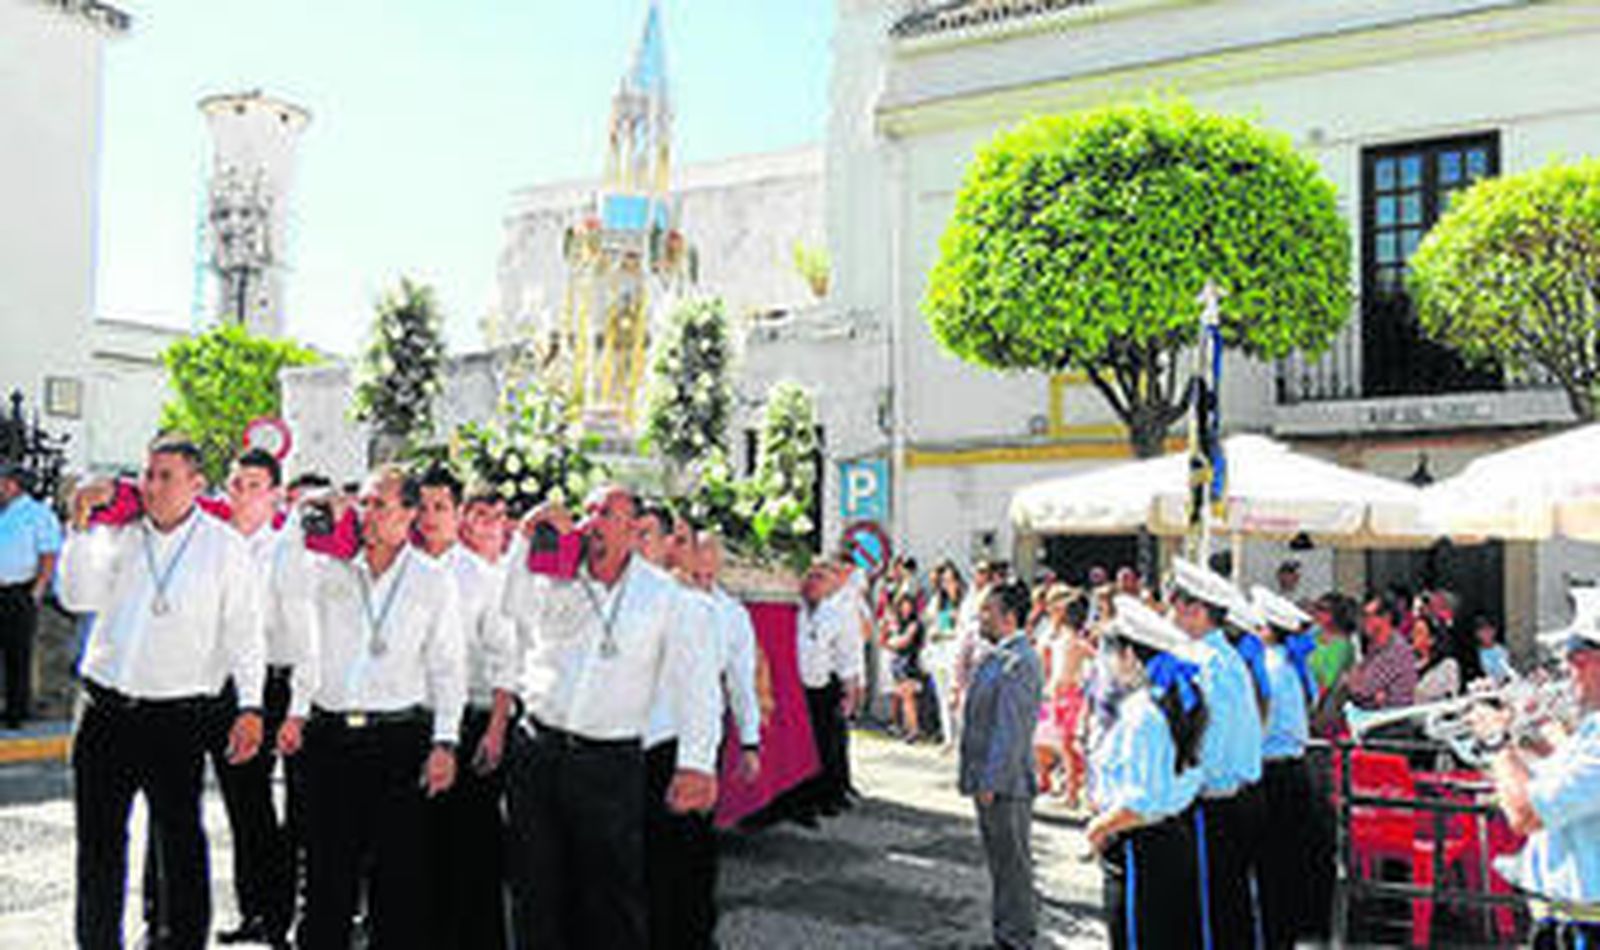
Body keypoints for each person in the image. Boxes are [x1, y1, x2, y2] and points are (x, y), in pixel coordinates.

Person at [59, 435, 267, 950]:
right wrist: (81, 527)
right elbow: (76, 594)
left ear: (196, 484)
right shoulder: (121, 533)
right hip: (105, 709)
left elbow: (245, 634)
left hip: (177, 717)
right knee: (99, 847)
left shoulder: (225, 547)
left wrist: (251, 707)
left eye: (165, 476)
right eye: (148, 474)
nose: (151, 486)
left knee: (180, 844)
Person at [500, 485, 720, 950]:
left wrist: (695, 763)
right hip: (538, 748)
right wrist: (524, 540)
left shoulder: (666, 597)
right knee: (534, 886)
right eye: (590, 511)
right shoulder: (556, 574)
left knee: (609, 894)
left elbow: (697, 685)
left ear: (634, 529)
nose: (593, 521)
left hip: (608, 761)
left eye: (607, 514)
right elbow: (511, 607)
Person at [287, 465, 467, 950]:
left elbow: (448, 668)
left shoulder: (434, 580)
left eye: (379, 505)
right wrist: (315, 508)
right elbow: (292, 606)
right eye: (362, 502)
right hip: (330, 738)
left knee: (398, 885)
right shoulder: (328, 568)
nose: (367, 514)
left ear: (409, 514)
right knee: (326, 879)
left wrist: (445, 743)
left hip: (398, 741)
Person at [210, 449, 313, 949]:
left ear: (274, 494)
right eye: (236, 484)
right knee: (244, 804)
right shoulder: (214, 545)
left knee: (293, 806)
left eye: (255, 485)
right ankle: (254, 910)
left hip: (278, 681)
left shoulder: (287, 551)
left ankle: (282, 917)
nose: (243, 495)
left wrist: (296, 704)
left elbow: (298, 631)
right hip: (226, 685)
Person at [415, 469, 517, 950]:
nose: (431, 517)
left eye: (442, 507)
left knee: (472, 850)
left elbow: (504, 662)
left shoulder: (480, 577)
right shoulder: (399, 567)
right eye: (424, 506)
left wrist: (495, 730)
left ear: (458, 515)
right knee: (418, 849)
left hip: (473, 722)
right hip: (415, 720)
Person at [1471, 590, 1600, 950]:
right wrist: (1527, 732)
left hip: (1585, 926)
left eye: (1575, 655)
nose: (1567, 667)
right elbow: (1563, 769)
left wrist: (1497, 741)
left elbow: (1526, 814)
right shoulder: (1591, 730)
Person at [1087, 595, 1207, 950]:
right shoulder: (1164, 701)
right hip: (1165, 839)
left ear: (1129, 656)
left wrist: (1098, 827)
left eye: (1110, 653)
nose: (1106, 664)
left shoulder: (1142, 712)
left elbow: (1141, 802)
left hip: (1139, 844)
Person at [636, 502, 725, 950]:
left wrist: (697, 765)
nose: (633, 544)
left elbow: (704, 694)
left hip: (669, 755)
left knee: (678, 884)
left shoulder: (688, 606)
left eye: (645, 534)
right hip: (619, 758)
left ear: (670, 545)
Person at [1170, 558, 1265, 950]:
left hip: (1211, 801)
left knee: (1211, 912)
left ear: (1197, 611)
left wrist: (1179, 790)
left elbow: (1206, 741)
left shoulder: (1207, 663)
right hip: (1234, 798)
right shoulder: (1224, 658)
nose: (1172, 613)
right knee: (1231, 905)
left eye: (1178, 605)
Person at [959, 580, 1043, 950]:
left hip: (1006, 784)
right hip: (991, 779)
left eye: (988, 611)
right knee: (1002, 866)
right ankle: (1006, 931)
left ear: (1010, 617)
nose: (981, 617)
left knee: (1013, 868)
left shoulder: (1020, 661)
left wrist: (991, 780)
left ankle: (1016, 938)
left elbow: (1010, 731)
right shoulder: (999, 655)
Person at [1251, 585, 1334, 946]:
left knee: (1273, 869)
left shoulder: (1269, 668)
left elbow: (1259, 726)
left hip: (1274, 772)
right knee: (1291, 864)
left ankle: (1276, 939)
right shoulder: (1292, 664)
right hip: (1296, 770)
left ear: (1267, 629)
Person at [0, 462, 61, 729]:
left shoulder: (38, 514)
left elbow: (48, 554)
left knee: (17, 654)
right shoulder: (3, 513)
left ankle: (16, 712)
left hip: (18, 591)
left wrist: (37, 590)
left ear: (13, 485)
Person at [1345, 594, 1419, 711]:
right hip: (1371, 717)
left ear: (1386, 617)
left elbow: (1363, 689)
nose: (1363, 622)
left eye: (1368, 616)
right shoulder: (1375, 648)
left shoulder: (1396, 650)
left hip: (1391, 721)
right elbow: (1356, 685)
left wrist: (1356, 682)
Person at [924, 561, 966, 747]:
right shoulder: (937, 601)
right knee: (942, 695)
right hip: (939, 652)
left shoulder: (965, 602)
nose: (947, 584)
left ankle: (960, 736)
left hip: (955, 651)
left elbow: (964, 630)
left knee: (955, 695)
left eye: (950, 580)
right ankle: (948, 736)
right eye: (944, 581)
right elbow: (930, 623)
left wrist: (946, 632)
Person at [886, 590, 927, 742]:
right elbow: (885, 641)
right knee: (903, 697)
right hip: (898, 664)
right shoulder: (898, 624)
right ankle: (907, 728)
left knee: (909, 698)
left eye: (909, 605)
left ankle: (914, 729)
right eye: (903, 606)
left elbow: (904, 641)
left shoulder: (915, 624)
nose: (906, 609)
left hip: (911, 664)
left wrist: (893, 642)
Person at [1477, 616, 1515, 684]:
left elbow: (1507, 670)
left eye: (1489, 630)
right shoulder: (1476, 653)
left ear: (1494, 631)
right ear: (1478, 633)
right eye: (1483, 630)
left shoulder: (1502, 651)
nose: (1486, 633)